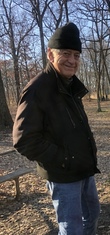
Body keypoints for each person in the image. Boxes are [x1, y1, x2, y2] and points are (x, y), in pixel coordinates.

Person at [12, 22, 100, 235]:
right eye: (66, 53)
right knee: (72, 228)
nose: (72, 60)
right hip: (63, 174)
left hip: (83, 170)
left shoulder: (69, 85)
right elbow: (24, 140)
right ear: (50, 55)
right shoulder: (37, 89)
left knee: (93, 214)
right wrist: (64, 159)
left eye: (77, 55)